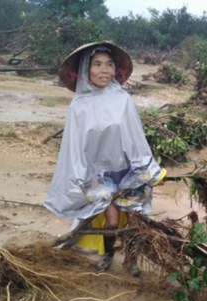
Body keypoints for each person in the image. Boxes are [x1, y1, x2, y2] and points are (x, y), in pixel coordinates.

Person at [44, 41, 166, 276]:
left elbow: (136, 140)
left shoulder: (123, 101)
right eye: (97, 64)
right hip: (98, 175)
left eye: (109, 65)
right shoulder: (79, 106)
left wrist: (149, 171)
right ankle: (108, 253)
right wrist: (81, 179)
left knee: (134, 222)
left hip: (129, 172)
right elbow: (75, 149)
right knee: (111, 222)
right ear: (84, 70)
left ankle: (132, 259)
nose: (104, 70)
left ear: (116, 70)